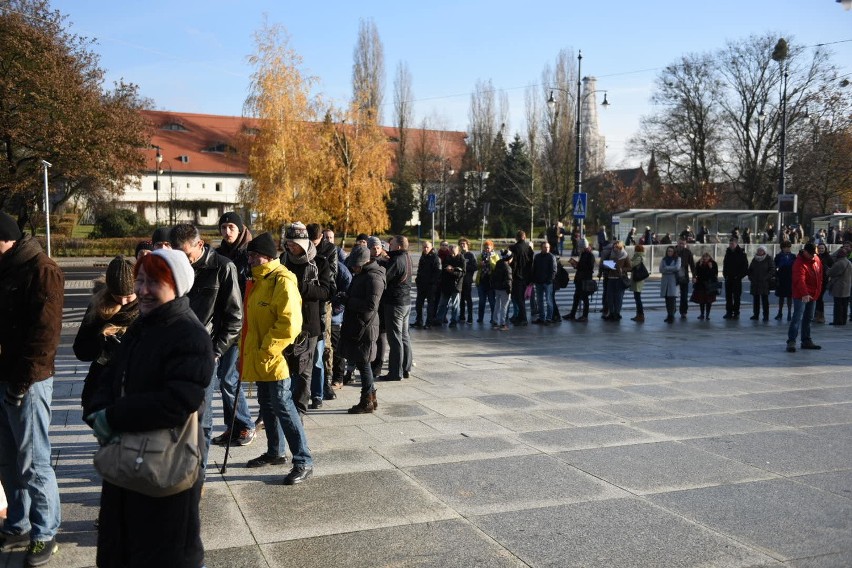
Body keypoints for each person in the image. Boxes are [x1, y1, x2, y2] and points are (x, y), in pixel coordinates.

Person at [86, 249, 212, 568]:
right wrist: (97, 408)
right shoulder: (143, 326)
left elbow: (179, 401)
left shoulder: (190, 334)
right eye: (140, 280)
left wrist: (113, 417)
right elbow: (111, 376)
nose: (142, 290)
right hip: (128, 465)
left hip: (164, 470)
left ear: (177, 286)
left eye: (153, 282)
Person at [0, 212, 64, 566]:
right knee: (8, 459)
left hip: (29, 382)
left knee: (34, 461)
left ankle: (45, 532)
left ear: (6, 239)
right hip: (4, 377)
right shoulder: (7, 266)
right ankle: (18, 522)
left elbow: (45, 336)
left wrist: (22, 383)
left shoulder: (42, 269)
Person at [169, 224, 244, 475]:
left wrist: (215, 351)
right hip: (175, 350)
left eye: (187, 256)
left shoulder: (223, 267)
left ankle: (196, 475)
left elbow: (235, 317)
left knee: (202, 418)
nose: (184, 262)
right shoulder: (173, 266)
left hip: (205, 350)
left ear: (200, 245)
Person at [241, 232, 314, 482]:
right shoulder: (258, 280)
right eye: (248, 255)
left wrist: (267, 350)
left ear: (267, 256)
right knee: (267, 405)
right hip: (261, 357)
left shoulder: (282, 280)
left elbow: (289, 324)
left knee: (284, 406)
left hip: (277, 358)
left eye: (254, 255)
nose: (249, 259)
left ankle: (303, 460)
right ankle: (275, 452)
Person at [211, 212, 257, 448]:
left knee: (228, 378)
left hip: (241, 323)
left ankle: (245, 424)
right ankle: (234, 426)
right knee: (225, 378)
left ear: (240, 229)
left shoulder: (249, 254)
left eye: (231, 227)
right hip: (222, 322)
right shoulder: (218, 255)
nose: (227, 231)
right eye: (223, 227)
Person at [75, 256, 140, 416]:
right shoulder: (98, 306)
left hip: (136, 386)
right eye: (118, 295)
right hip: (103, 384)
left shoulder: (147, 306)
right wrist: (101, 345)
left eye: (129, 295)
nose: (124, 301)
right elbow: (81, 350)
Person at [280, 222, 331, 411]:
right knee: (285, 368)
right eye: (288, 244)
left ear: (303, 244)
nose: (290, 247)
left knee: (303, 371)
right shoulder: (283, 260)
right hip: (284, 321)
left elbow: (327, 291)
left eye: (294, 244)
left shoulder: (320, 263)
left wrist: (299, 287)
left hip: (308, 325)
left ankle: (299, 409)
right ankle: (286, 406)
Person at [342, 246, 385, 413]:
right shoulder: (364, 274)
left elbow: (370, 305)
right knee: (363, 362)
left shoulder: (374, 277)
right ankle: (370, 398)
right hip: (361, 324)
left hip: (365, 326)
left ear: (367, 261)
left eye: (356, 264)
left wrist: (348, 301)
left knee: (364, 363)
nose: (353, 267)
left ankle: (367, 400)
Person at [377, 236, 413, 382]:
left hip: (395, 303)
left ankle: (395, 372)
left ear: (398, 246)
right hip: (405, 302)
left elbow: (384, 277)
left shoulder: (397, 261)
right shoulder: (407, 257)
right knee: (404, 336)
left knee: (395, 339)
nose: (389, 246)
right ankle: (405, 368)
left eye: (391, 245)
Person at [786, 243, 823, 352]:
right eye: (811, 254)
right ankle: (791, 341)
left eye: (814, 254)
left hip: (813, 293)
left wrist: (818, 291)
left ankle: (806, 340)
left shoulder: (816, 259)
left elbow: (820, 275)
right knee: (797, 317)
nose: (813, 256)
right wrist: (804, 293)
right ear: (805, 252)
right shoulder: (799, 262)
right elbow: (799, 280)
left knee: (808, 318)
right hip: (801, 294)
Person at [435, 244, 465, 327]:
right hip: (446, 285)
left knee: (455, 305)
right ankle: (439, 319)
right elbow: (443, 269)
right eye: (451, 250)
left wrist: (452, 271)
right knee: (443, 304)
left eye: (453, 251)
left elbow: (462, 273)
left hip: (456, 286)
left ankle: (454, 321)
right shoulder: (447, 258)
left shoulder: (461, 259)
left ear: (458, 251)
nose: (452, 252)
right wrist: (448, 269)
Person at [565, 238, 595, 322]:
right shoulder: (583, 254)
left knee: (585, 298)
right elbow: (582, 266)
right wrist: (577, 265)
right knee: (576, 297)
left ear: (584, 247)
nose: (579, 249)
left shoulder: (590, 255)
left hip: (585, 280)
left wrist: (577, 266)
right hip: (579, 279)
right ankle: (572, 314)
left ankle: (585, 316)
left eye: (580, 247)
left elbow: (589, 268)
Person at [509, 231, 534, 326]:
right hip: (526, 276)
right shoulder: (529, 248)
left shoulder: (514, 248)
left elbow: (512, 263)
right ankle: (520, 317)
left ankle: (523, 318)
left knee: (518, 298)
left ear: (516, 237)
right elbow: (531, 262)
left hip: (517, 276)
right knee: (521, 298)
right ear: (525, 237)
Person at [413, 241, 440, 329]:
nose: (425, 249)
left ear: (431, 247)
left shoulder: (435, 258)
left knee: (430, 305)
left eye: (427, 247)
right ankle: (419, 321)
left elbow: (437, 272)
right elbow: (420, 270)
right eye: (424, 247)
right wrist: (418, 280)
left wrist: (432, 283)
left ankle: (429, 322)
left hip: (430, 285)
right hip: (421, 284)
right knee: (418, 304)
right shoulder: (423, 256)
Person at [603, 241, 631, 322]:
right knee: (610, 296)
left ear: (621, 247)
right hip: (611, 277)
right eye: (614, 247)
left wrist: (622, 269)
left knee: (618, 297)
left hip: (620, 278)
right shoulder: (611, 254)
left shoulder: (625, 255)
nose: (615, 249)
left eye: (616, 247)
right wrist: (607, 265)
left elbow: (630, 267)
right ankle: (611, 313)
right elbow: (604, 263)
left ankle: (617, 313)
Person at [722, 237, 748, 319]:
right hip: (728, 278)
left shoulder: (741, 253)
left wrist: (739, 276)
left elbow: (745, 267)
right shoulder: (728, 253)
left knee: (736, 296)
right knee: (728, 296)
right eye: (730, 244)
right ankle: (729, 312)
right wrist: (725, 275)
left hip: (737, 279)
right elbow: (725, 265)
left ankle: (736, 312)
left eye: (732, 244)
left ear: (736, 244)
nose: (731, 245)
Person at [747, 246, 775, 321]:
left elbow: (772, 270)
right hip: (755, 282)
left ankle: (766, 316)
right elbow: (750, 270)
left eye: (761, 250)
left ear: (764, 251)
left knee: (765, 300)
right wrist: (751, 277)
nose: (759, 252)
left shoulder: (768, 259)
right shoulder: (754, 259)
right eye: (758, 250)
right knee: (755, 300)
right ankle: (756, 314)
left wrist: (766, 278)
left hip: (764, 283)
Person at [532, 241, 557, 325]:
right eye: (545, 247)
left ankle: (549, 318)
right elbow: (534, 269)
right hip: (538, 282)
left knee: (549, 300)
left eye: (548, 247)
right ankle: (542, 317)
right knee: (539, 301)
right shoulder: (537, 257)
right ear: (541, 248)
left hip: (547, 282)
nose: (547, 249)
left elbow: (554, 270)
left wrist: (549, 280)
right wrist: (534, 279)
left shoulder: (551, 257)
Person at [691, 252, 719, 320]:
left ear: (709, 257)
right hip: (700, 284)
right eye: (704, 257)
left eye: (707, 257)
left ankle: (707, 314)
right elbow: (696, 272)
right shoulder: (699, 263)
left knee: (709, 300)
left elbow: (715, 273)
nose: (705, 258)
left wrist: (711, 267)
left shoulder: (713, 263)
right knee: (701, 300)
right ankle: (702, 314)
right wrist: (699, 266)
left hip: (710, 284)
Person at [827, 248, 851, 326]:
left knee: (838, 305)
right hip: (847, 287)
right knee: (845, 305)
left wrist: (827, 270)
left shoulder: (839, 263)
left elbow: (830, 273)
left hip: (839, 286)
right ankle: (843, 320)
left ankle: (837, 321)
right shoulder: (849, 263)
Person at [475, 240, 497, 324]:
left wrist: (490, 260)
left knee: (492, 302)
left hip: (491, 282)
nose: (487, 249)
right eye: (485, 247)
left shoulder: (495, 256)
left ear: (492, 248)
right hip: (481, 281)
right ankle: (480, 318)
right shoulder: (481, 255)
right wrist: (480, 264)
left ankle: (493, 318)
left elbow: (496, 267)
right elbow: (476, 266)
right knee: (481, 302)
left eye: (488, 248)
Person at [774, 241, 796, 321]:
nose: (788, 249)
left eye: (789, 247)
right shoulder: (778, 256)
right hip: (781, 277)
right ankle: (780, 312)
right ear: (782, 248)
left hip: (790, 278)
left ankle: (789, 313)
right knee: (781, 297)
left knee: (790, 297)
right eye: (786, 247)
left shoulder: (793, 256)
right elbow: (775, 266)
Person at [659, 245, 681, 323]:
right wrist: (670, 269)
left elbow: (677, 268)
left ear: (674, 252)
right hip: (665, 281)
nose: (669, 253)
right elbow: (661, 269)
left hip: (673, 280)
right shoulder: (664, 259)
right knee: (667, 299)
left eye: (671, 251)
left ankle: (671, 315)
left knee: (672, 299)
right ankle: (669, 314)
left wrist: (667, 268)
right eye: (668, 251)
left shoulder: (677, 259)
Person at [492, 250, 512, 331]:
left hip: (497, 288)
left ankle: (495, 322)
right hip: (504, 289)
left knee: (497, 305)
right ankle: (503, 323)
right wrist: (509, 290)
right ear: (508, 258)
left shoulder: (498, 263)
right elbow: (508, 280)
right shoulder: (507, 267)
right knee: (504, 306)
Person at [458, 238, 477, 324]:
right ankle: (462, 316)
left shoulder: (471, 255)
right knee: (461, 300)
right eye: (461, 244)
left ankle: (470, 318)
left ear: (467, 244)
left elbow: (475, 267)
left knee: (468, 299)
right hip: (460, 281)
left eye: (464, 244)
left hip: (468, 280)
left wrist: (464, 268)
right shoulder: (459, 254)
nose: (462, 245)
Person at [675, 239, 696, 318]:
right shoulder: (673, 251)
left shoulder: (687, 252)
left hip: (684, 276)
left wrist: (694, 276)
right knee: (672, 295)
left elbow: (692, 265)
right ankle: (672, 311)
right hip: (675, 276)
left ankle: (683, 311)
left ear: (685, 244)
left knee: (684, 296)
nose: (681, 245)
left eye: (683, 244)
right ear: (677, 243)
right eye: (680, 243)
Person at [814, 243, 833, 324]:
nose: (821, 250)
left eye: (822, 248)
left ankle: (821, 316)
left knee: (819, 298)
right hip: (816, 280)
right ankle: (816, 315)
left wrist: (826, 269)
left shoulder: (828, 257)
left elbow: (832, 267)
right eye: (820, 248)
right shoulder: (816, 256)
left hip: (824, 280)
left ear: (825, 249)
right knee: (816, 298)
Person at [629, 244, 646, 323]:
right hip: (638, 280)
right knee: (637, 298)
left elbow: (631, 264)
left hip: (638, 280)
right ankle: (638, 315)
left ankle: (641, 315)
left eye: (635, 249)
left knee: (638, 298)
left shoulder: (638, 257)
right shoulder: (639, 257)